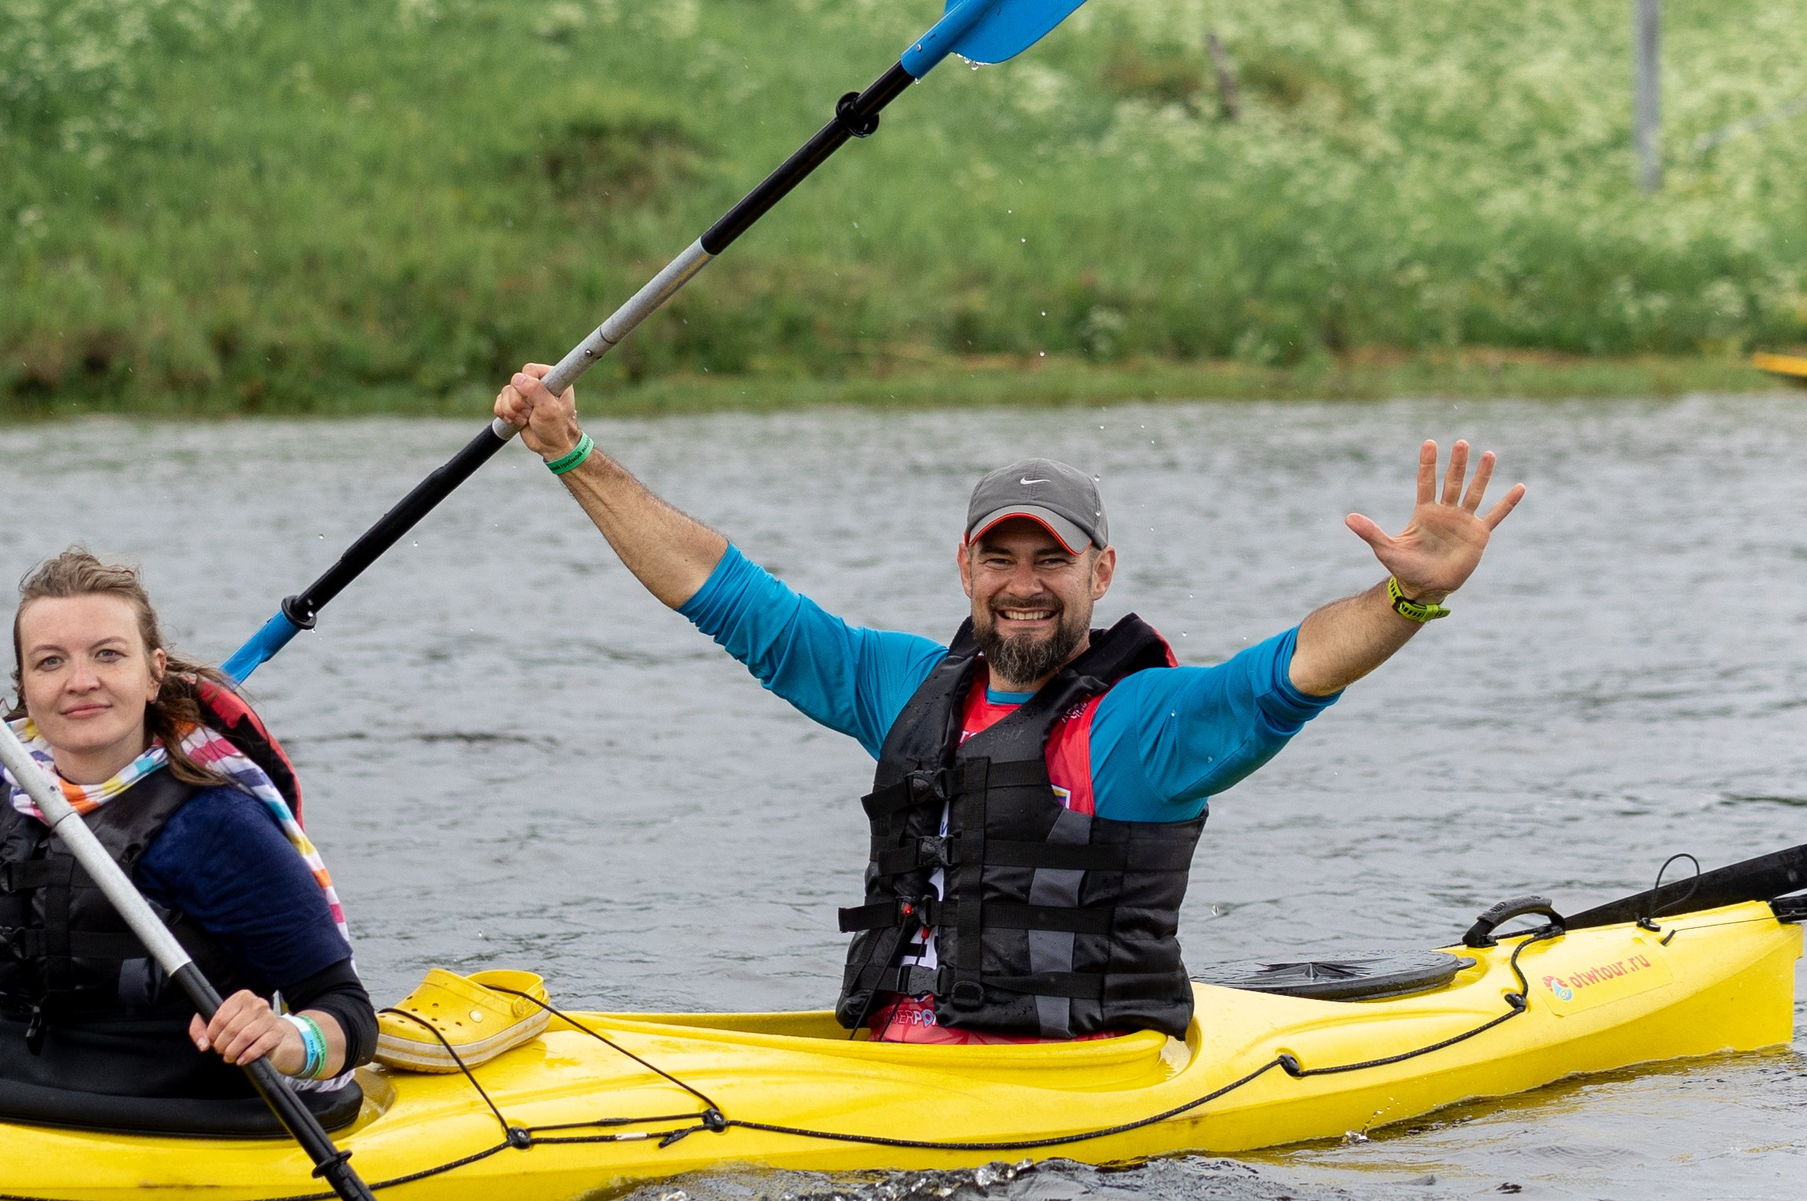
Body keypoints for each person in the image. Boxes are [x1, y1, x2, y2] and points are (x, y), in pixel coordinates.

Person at [492, 365, 1525, 1044]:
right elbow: (732, 599)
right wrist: (573, 456)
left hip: (1073, 1083)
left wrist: (1408, 595)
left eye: (1051, 560)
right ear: (965, 566)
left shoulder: (1140, 728)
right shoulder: (905, 690)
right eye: (1001, 557)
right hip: (887, 1057)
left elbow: (1293, 670)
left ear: (1100, 572)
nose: (1023, 583)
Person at [0, 467, 375, 1100]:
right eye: (50, 661)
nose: (79, 680)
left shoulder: (215, 826)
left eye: (107, 654)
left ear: (153, 673)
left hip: (187, 1133)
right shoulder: (2, 778)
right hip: (20, 1115)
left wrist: (287, 1038)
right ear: (25, 689)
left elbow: (347, 1013)